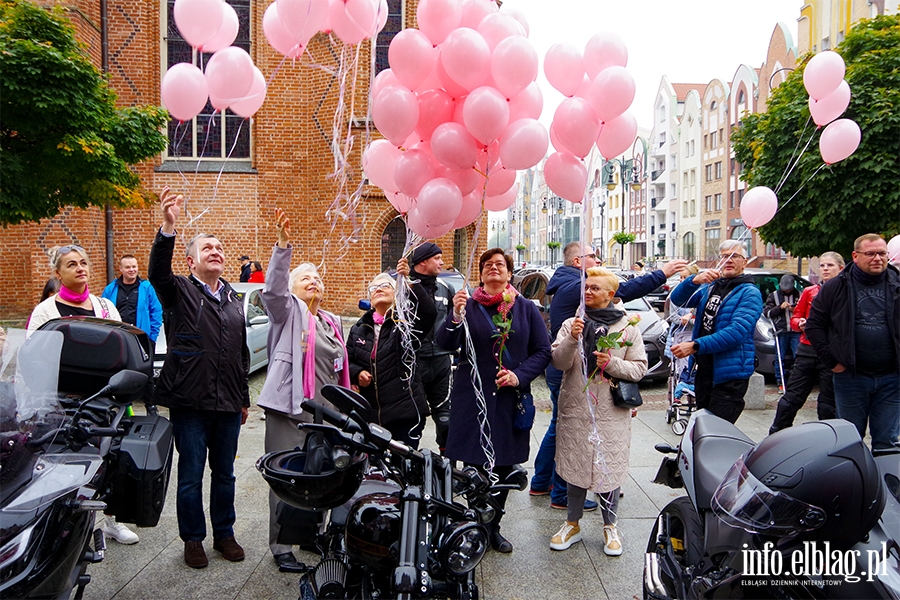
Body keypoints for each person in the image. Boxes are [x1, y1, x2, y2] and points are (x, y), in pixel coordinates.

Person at [530, 241, 687, 511]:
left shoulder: (565, 283)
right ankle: (562, 492)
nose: (599, 260)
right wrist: (662, 274)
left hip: (575, 373)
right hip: (574, 375)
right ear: (579, 262)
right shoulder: (575, 286)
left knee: (558, 428)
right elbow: (621, 288)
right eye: (594, 256)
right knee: (568, 432)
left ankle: (543, 482)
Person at [149, 187, 250, 569]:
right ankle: (193, 538)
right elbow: (157, 271)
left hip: (227, 404)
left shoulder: (234, 301)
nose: (216, 251)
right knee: (190, 474)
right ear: (191, 261)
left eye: (220, 247)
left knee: (224, 474)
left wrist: (243, 398)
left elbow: (240, 355)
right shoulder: (179, 292)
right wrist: (169, 227)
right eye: (207, 247)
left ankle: (224, 534)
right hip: (189, 403)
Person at [436, 248, 551, 554]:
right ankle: (475, 524)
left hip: (508, 401)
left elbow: (543, 350)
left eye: (500, 264)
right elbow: (444, 343)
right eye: (487, 265)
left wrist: (519, 375)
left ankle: (492, 527)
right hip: (472, 399)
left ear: (509, 273)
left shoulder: (526, 309)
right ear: (482, 273)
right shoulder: (467, 306)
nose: (493, 269)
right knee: (475, 467)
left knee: (502, 467)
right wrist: (455, 316)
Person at [257, 209, 351, 573]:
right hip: (290, 409)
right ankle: (281, 545)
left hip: (326, 413)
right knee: (287, 476)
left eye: (317, 277)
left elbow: (339, 366)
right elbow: (273, 289)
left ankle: (311, 534)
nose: (313, 281)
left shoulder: (331, 321)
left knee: (322, 475)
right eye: (305, 278)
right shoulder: (288, 312)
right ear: (293, 288)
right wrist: (283, 246)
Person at [27, 246, 139, 545]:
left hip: (103, 401)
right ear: (58, 273)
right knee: (64, 464)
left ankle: (109, 521)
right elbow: (32, 356)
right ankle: (61, 526)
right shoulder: (46, 311)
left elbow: (124, 347)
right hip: (59, 403)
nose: (80, 268)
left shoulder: (105, 307)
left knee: (108, 460)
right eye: (72, 264)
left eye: (84, 263)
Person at [549, 267, 647, 555]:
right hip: (577, 409)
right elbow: (558, 362)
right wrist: (571, 339)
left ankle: (609, 525)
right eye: (586, 287)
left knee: (609, 468)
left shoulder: (628, 326)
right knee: (576, 467)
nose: (588, 292)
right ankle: (572, 523)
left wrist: (611, 364)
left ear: (611, 295)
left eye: (595, 288)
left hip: (610, 412)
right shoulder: (572, 323)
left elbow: (640, 368)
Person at [806, 234, 899, 450]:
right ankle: (853, 484)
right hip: (850, 378)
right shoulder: (836, 287)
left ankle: (887, 484)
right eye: (871, 253)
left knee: (887, 443)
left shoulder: (897, 284)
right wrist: (833, 363)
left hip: (891, 379)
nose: (877, 258)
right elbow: (814, 326)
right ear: (855, 256)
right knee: (849, 442)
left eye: (882, 253)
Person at [669, 240, 763, 424]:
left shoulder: (749, 293)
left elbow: (737, 332)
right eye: (724, 256)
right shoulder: (711, 285)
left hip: (729, 374)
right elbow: (678, 299)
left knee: (718, 429)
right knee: (704, 425)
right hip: (705, 369)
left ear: (744, 262)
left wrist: (696, 345)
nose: (728, 260)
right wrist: (694, 280)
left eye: (734, 256)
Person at [347, 260, 436, 447]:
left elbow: (429, 313)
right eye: (374, 288)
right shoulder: (358, 329)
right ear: (370, 299)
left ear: (396, 293)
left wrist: (409, 281)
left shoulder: (406, 324)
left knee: (402, 470)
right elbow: (348, 359)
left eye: (385, 285)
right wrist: (356, 373)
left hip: (403, 413)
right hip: (371, 415)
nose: (378, 289)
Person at [769, 252, 844, 435]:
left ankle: (829, 438)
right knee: (792, 397)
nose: (825, 269)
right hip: (807, 349)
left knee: (828, 402)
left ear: (841, 268)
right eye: (822, 265)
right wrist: (800, 323)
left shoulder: (846, 292)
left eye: (830, 265)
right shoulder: (810, 291)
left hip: (832, 352)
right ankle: (777, 433)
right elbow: (795, 318)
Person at [409, 242, 454, 452]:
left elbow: (456, 323)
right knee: (413, 422)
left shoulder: (446, 289)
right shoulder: (403, 288)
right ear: (423, 262)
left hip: (442, 363)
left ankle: (448, 469)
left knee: (446, 422)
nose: (442, 262)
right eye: (437, 258)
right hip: (413, 364)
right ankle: (409, 470)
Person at [102, 254, 163, 344]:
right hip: (117, 339)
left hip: (142, 339)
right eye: (127, 267)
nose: (131, 270)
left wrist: (152, 338)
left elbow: (156, 313)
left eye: (134, 266)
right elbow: (103, 313)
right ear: (120, 269)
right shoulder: (110, 289)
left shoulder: (147, 288)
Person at [763, 274, 801, 390]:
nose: (787, 291)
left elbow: (807, 311)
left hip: (796, 331)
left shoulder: (800, 294)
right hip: (781, 331)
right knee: (780, 357)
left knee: (798, 356)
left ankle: (796, 381)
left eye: (789, 289)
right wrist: (780, 308)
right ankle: (780, 382)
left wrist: (796, 309)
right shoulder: (773, 296)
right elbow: (767, 314)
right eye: (785, 289)